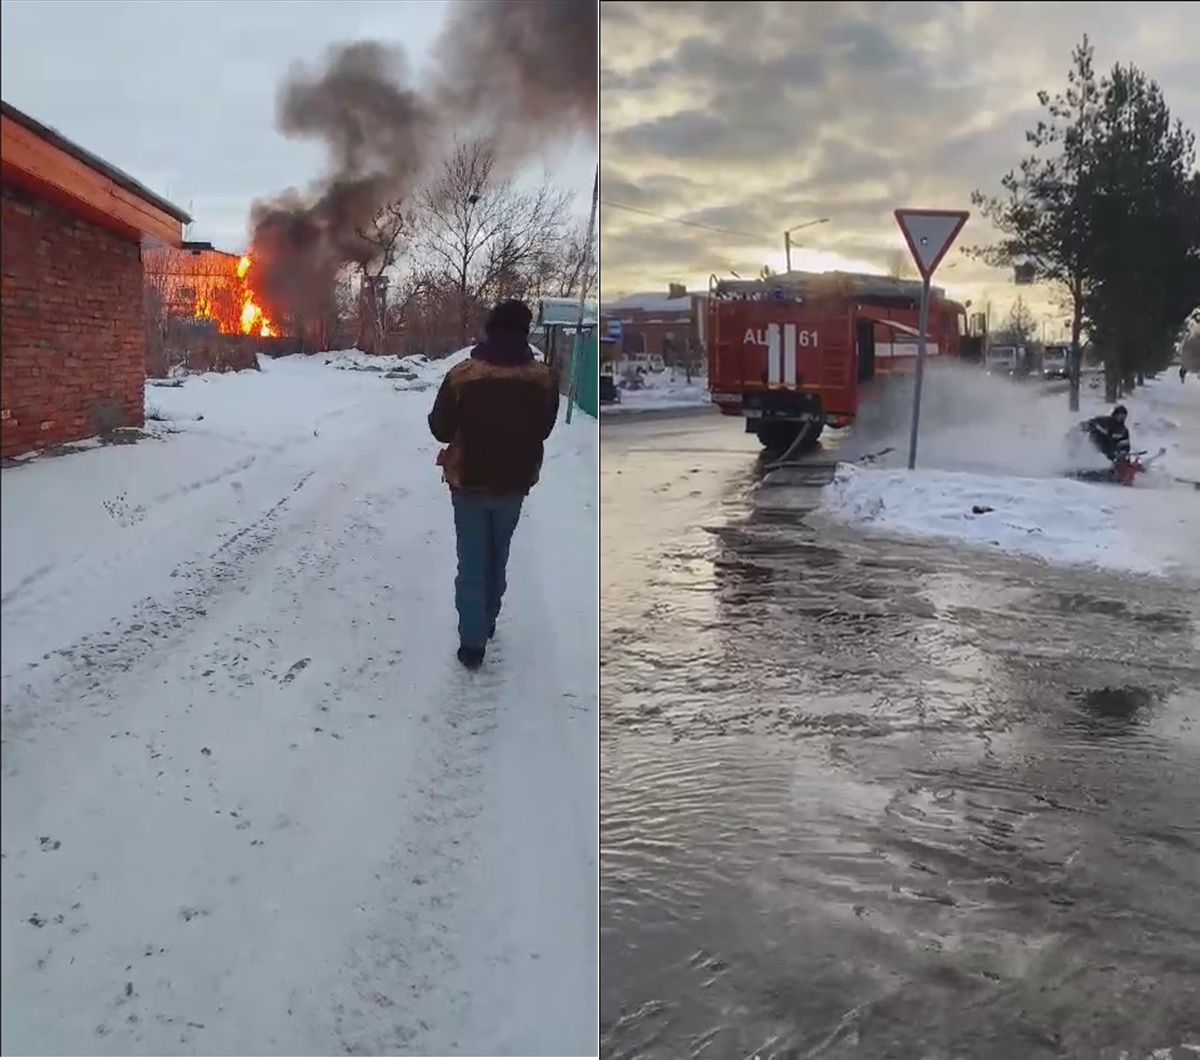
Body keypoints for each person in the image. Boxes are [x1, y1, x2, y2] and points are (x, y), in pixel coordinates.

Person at [428, 299, 560, 670]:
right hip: (515, 482)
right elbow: (544, 429)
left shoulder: (462, 375)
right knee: (497, 556)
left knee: (471, 560)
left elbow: (439, 428)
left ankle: (472, 644)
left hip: (467, 481)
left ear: (489, 329)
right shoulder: (544, 378)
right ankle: (487, 621)